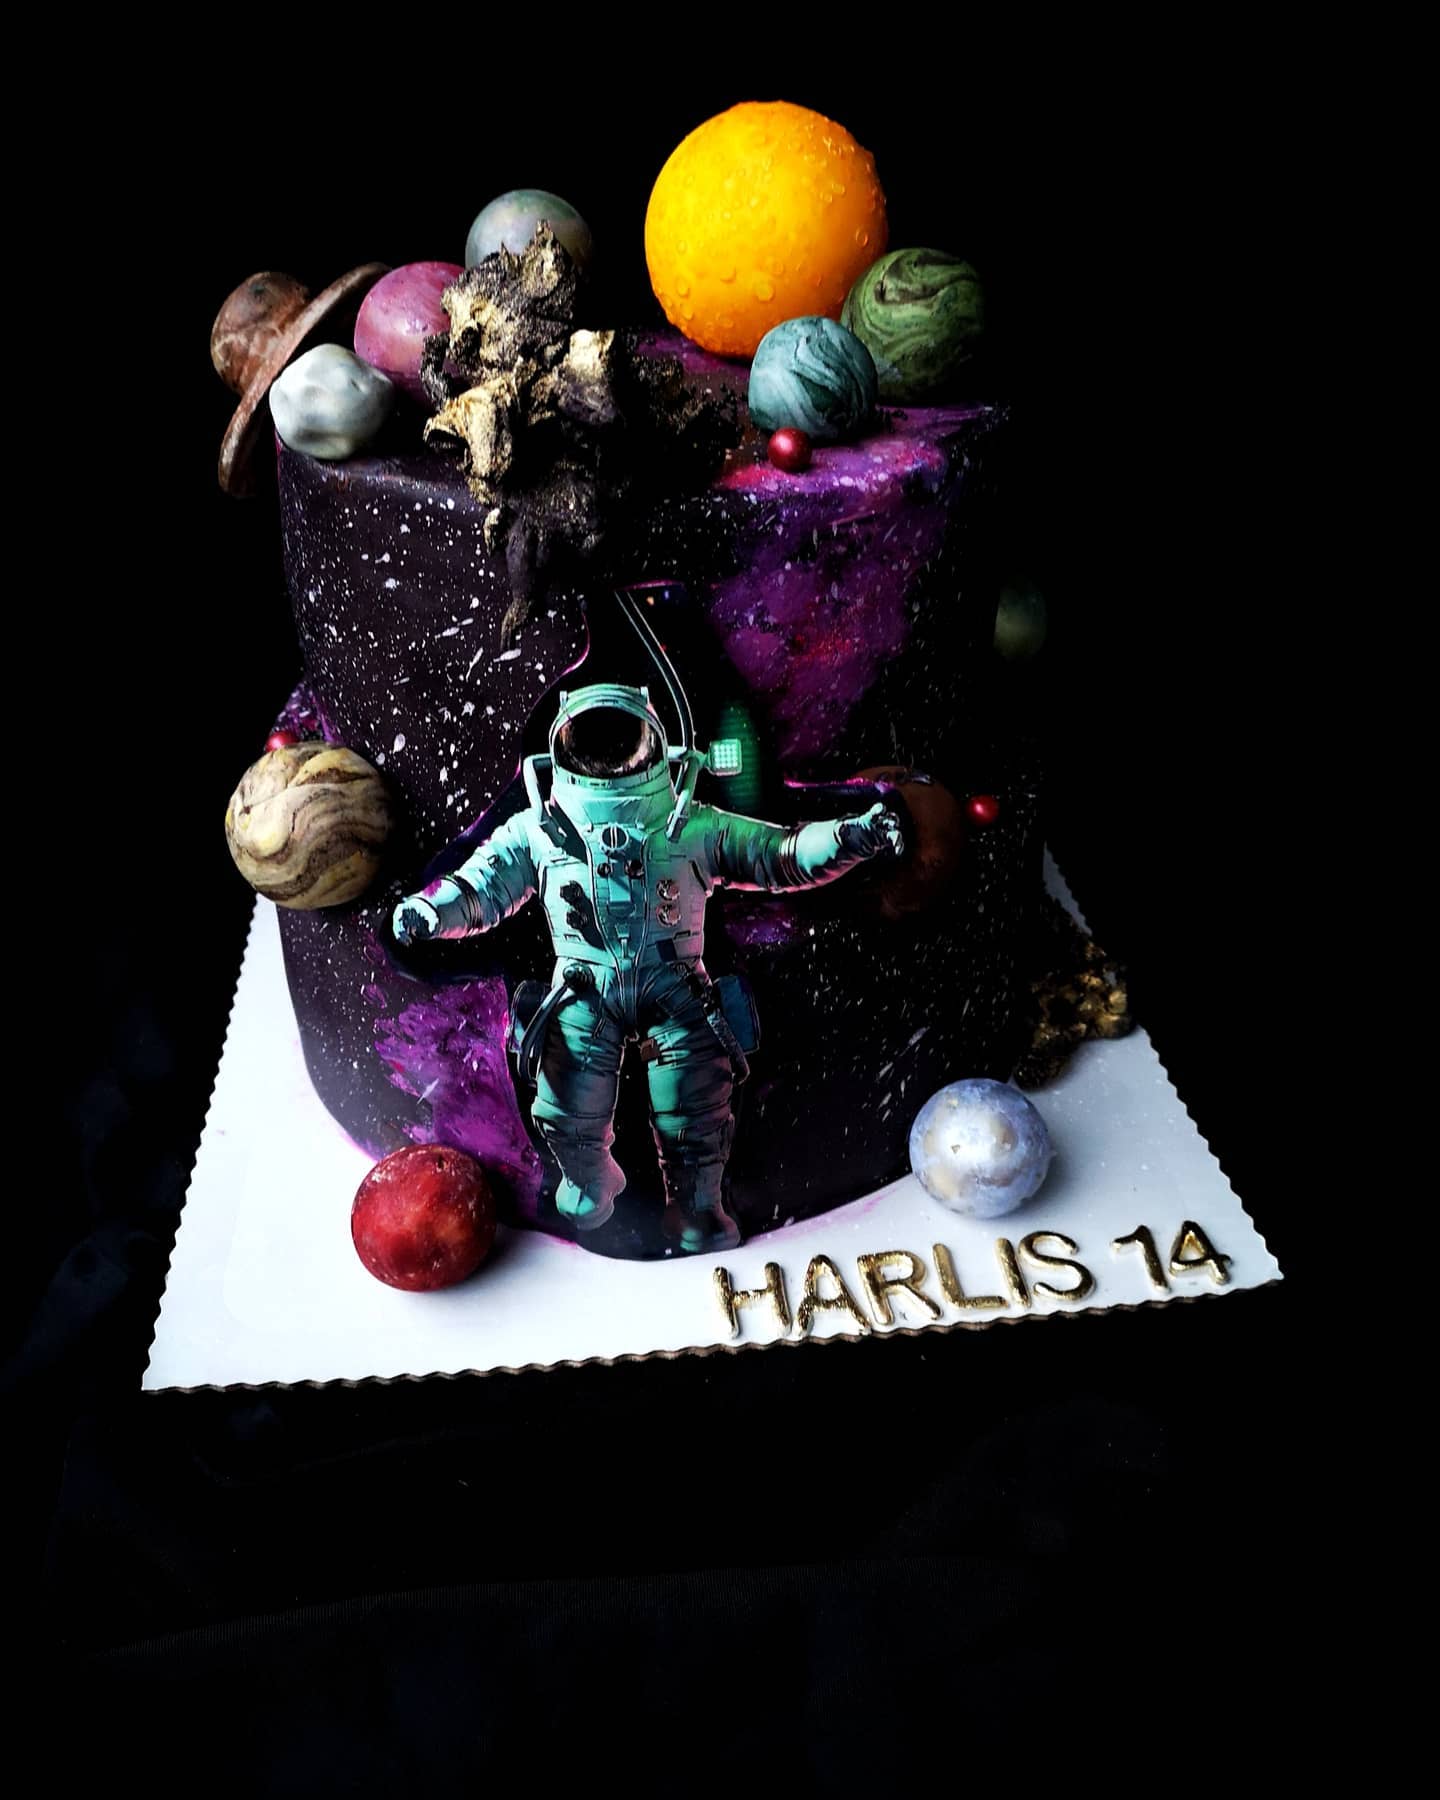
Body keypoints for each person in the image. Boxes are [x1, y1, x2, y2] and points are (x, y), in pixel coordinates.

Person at [394, 683, 902, 1252]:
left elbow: (781, 854)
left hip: (675, 985)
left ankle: (697, 1209)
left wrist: (853, 836)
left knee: (695, 1111)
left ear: (655, 747)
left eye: (620, 738)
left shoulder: (691, 827)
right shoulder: (539, 832)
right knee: (567, 1107)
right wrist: (431, 911)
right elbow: (482, 886)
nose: (608, 753)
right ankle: (588, 1180)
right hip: (583, 987)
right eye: (591, 739)